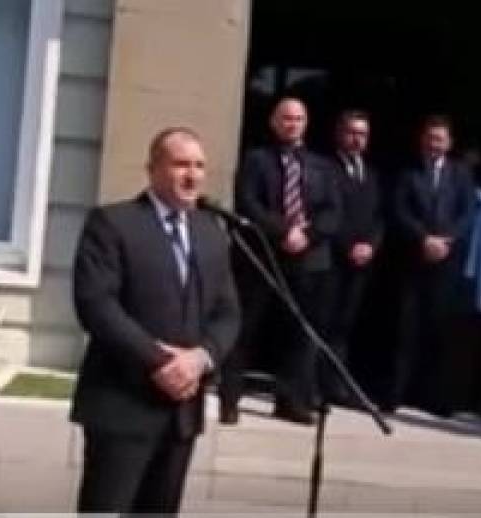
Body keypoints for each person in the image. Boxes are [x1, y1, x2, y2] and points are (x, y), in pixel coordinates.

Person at [70, 127, 240, 515]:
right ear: (153, 169)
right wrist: (159, 361)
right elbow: (96, 305)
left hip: (180, 412)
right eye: (181, 164)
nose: (192, 176)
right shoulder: (113, 223)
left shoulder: (211, 231)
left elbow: (228, 312)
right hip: (123, 403)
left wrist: (200, 359)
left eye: (199, 166)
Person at [225, 97, 341, 425]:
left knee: (299, 334)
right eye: (286, 118)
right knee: (246, 327)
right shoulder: (256, 160)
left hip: (308, 261)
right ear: (274, 122)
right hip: (262, 256)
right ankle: (230, 398)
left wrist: (308, 235)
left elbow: (333, 211)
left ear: (306, 123)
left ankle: (291, 401)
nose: (292, 124)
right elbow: (248, 202)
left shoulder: (322, 165)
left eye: (298, 118)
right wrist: (284, 231)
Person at [391, 115, 475, 416]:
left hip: (447, 262)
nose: (433, 144)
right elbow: (399, 209)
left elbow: (467, 213)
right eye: (429, 138)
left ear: (449, 143)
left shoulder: (460, 174)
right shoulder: (408, 172)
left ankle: (436, 397)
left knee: (440, 330)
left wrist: (447, 240)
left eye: (439, 139)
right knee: (406, 329)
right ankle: (395, 393)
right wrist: (423, 239)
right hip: (414, 258)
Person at [326, 110, 383, 405]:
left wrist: (370, 245)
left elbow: (378, 217)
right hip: (333, 259)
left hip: (361, 263)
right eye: (352, 133)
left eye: (362, 134)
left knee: (345, 325)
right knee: (324, 322)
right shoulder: (326, 168)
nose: (357, 139)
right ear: (340, 133)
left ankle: (338, 385)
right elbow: (329, 213)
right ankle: (316, 387)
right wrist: (349, 245)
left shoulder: (370, 174)